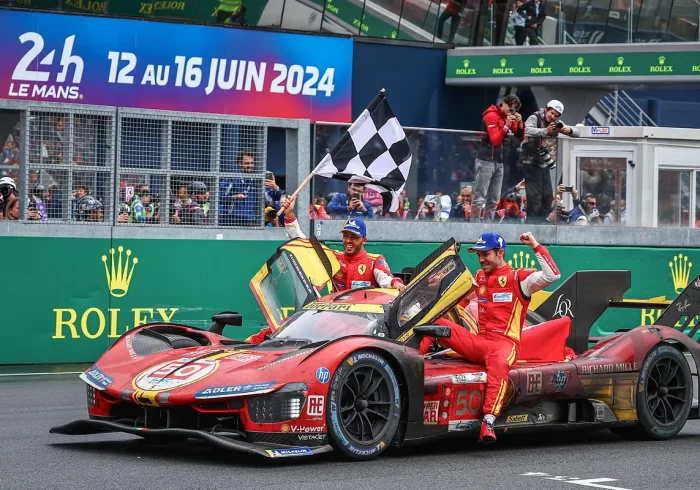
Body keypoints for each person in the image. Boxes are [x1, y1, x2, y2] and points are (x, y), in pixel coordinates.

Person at [419, 231, 561, 443]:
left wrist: (535, 245)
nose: (481, 259)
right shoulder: (479, 278)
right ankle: (411, 357)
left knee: (498, 363)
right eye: (478, 255)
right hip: (479, 342)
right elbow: (457, 298)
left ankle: (488, 421)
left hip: (504, 345)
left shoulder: (519, 278)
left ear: (500, 253)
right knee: (435, 321)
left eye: (486, 254)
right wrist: (438, 284)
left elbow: (553, 275)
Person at [244, 194, 406, 344]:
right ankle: (241, 348)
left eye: (354, 237)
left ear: (364, 240)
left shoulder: (374, 260)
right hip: (332, 321)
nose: (348, 241)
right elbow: (302, 245)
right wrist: (289, 216)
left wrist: (397, 284)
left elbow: (387, 280)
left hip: (362, 327)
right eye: (346, 236)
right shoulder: (333, 257)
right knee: (281, 330)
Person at [522, 100, 580, 223]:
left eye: (556, 115)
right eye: (552, 113)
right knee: (534, 197)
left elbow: (577, 133)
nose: (552, 117)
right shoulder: (535, 117)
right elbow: (526, 130)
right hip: (531, 161)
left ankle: (544, 222)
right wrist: (545, 131)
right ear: (546, 109)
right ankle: (532, 224)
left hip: (544, 162)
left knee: (547, 196)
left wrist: (566, 129)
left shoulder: (556, 123)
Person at [473, 95, 524, 222]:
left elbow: (519, 135)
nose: (510, 111)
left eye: (514, 110)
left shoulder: (506, 117)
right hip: (485, 160)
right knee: (480, 197)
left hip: (499, 162)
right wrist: (507, 125)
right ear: (503, 103)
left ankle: (487, 226)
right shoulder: (491, 116)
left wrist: (520, 123)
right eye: (509, 108)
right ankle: (473, 226)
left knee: (494, 199)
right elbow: (495, 140)